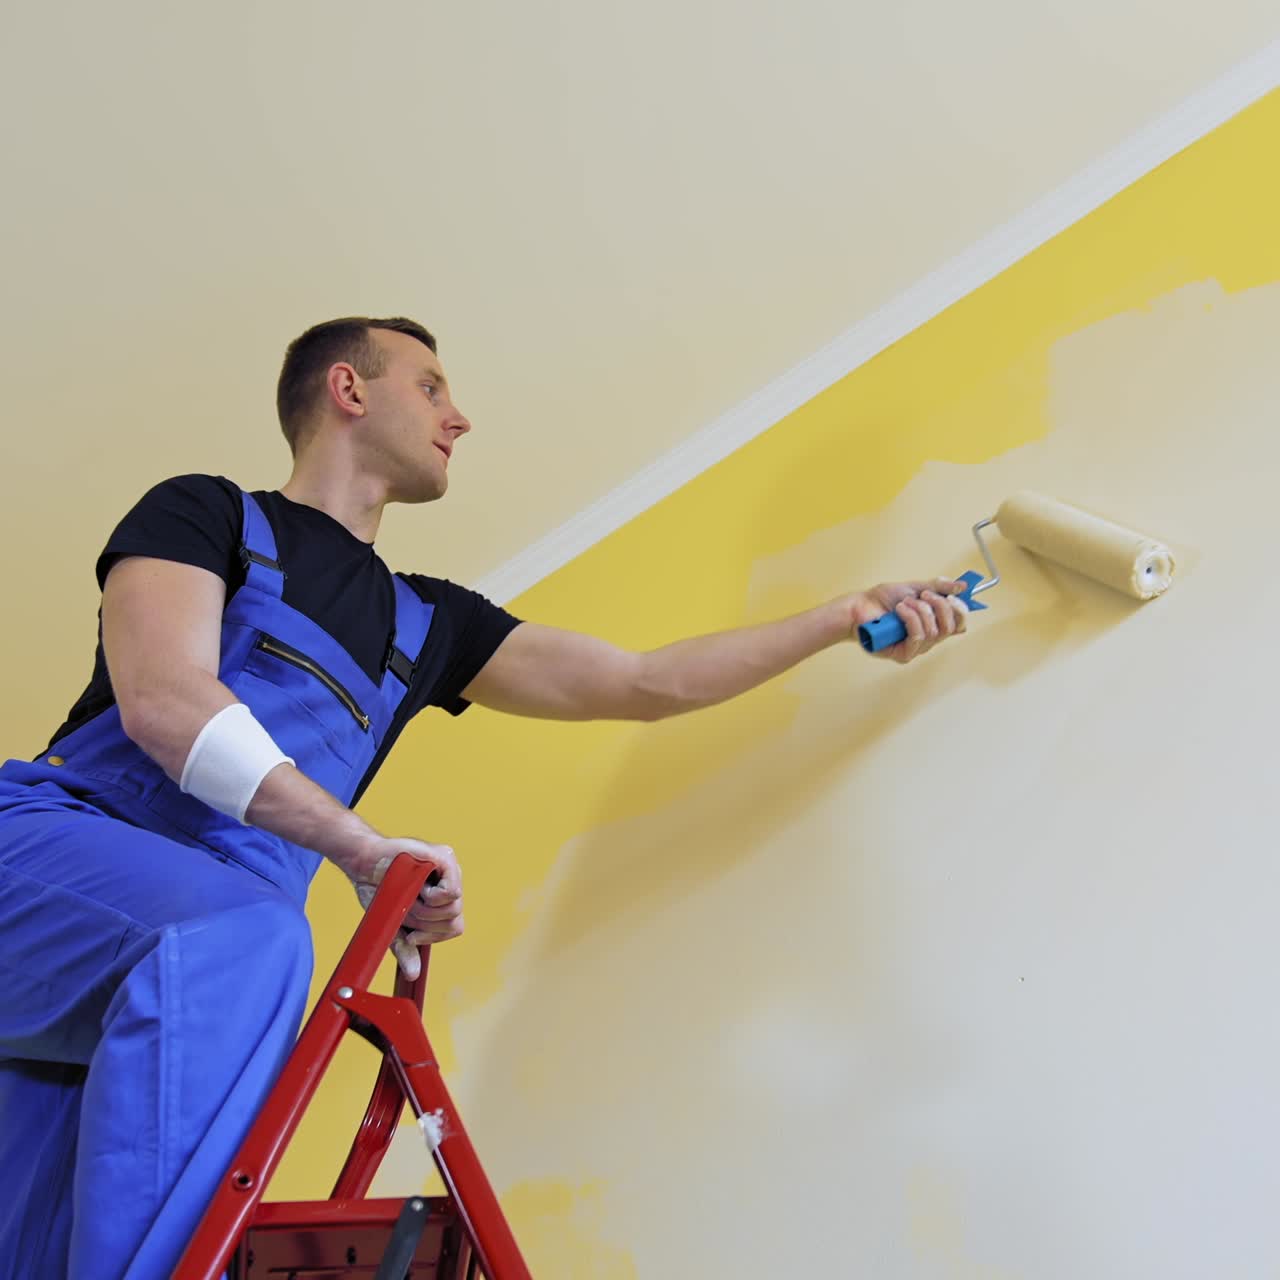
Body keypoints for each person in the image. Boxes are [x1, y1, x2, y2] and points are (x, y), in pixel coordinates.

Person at [0, 316, 969, 1278]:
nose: (457, 417)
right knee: (250, 940)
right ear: (348, 389)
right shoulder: (205, 514)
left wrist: (839, 618)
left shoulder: (429, 623)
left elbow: (643, 681)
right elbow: (166, 702)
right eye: (430, 386)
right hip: (55, 859)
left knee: (50, 1223)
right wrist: (359, 844)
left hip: (164, 981)